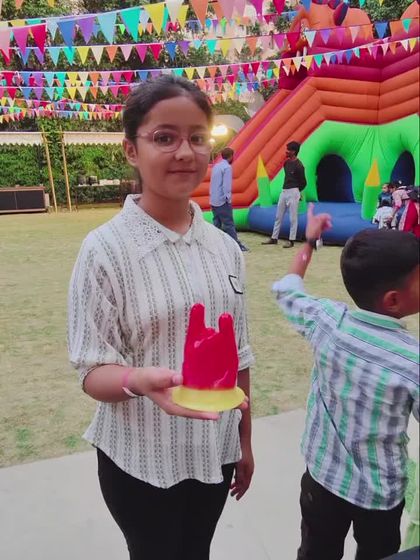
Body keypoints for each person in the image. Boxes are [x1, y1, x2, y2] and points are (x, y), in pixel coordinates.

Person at [67, 76, 254, 560]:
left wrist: (244, 442)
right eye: (164, 137)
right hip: (141, 459)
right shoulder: (104, 250)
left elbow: (239, 355)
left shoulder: (225, 249)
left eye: (198, 137)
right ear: (131, 150)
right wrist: (136, 380)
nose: (185, 153)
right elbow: (91, 370)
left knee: (197, 552)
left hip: (213, 451)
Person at [273, 207, 419, 560]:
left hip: (322, 479)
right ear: (393, 300)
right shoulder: (413, 361)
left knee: (315, 552)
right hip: (380, 495)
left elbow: (287, 288)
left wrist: (309, 241)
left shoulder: (327, 321)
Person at [262, 140, 307, 248]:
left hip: (293, 192)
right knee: (278, 216)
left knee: (293, 218)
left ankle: (291, 240)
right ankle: (274, 238)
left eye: (288, 150)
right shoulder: (286, 163)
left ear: (293, 151)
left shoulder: (299, 166)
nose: (286, 151)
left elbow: (303, 182)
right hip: (284, 191)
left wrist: (297, 191)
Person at [210, 147, 248, 252]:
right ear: (231, 156)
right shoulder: (227, 168)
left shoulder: (216, 166)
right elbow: (226, 186)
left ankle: (214, 245)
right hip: (222, 201)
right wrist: (228, 198)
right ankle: (236, 246)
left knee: (217, 223)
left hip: (213, 199)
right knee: (229, 224)